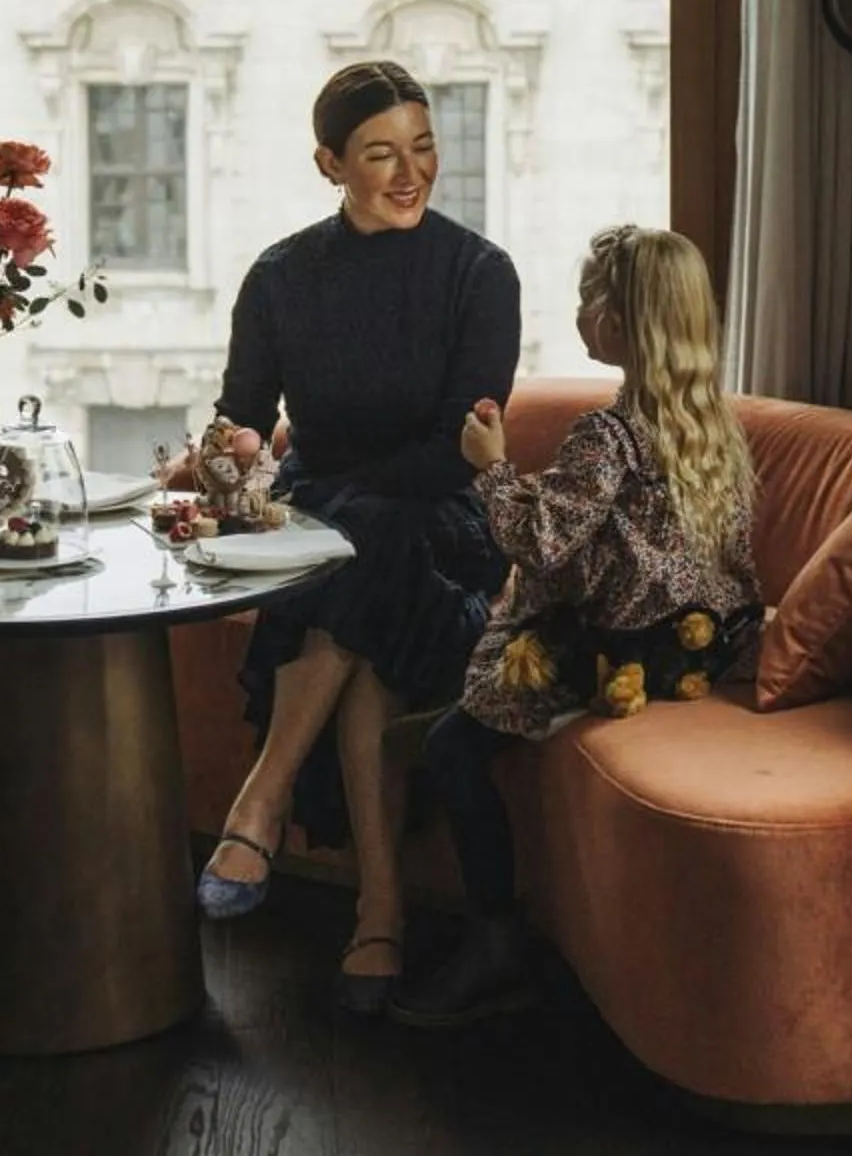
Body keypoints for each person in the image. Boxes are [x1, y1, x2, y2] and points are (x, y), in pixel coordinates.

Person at [197, 60, 521, 1018]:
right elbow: (243, 418)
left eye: (423, 146)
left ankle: (261, 804)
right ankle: (379, 917)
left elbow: (457, 453)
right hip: (329, 524)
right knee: (366, 604)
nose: (410, 170)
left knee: (366, 546)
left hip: (443, 518)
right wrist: (224, 459)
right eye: (381, 153)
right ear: (329, 163)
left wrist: (332, 510)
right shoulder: (282, 275)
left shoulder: (479, 272)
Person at [389, 224, 760, 1028]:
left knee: (451, 745)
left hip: (617, 651)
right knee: (459, 708)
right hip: (692, 642)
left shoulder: (609, 435)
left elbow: (538, 540)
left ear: (627, 323)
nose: (582, 309)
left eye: (594, 296)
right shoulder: (709, 423)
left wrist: (488, 464)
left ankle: (495, 947)